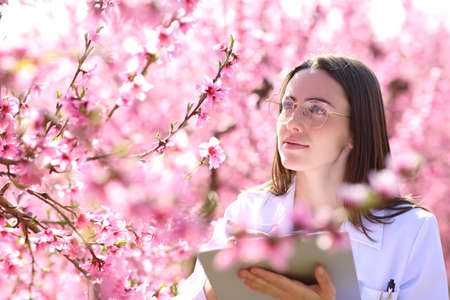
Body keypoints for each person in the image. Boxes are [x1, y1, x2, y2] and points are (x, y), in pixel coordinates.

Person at [177, 54, 449, 300]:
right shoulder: (247, 212)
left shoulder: (410, 231)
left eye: (316, 109)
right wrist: (220, 286)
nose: (291, 122)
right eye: (288, 105)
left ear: (355, 131)